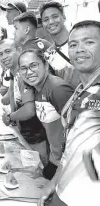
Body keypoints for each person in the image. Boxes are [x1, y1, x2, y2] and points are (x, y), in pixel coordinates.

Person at [38, 20, 100, 206]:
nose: (79, 49)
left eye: (89, 42)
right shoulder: (81, 90)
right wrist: (54, 183)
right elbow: (71, 147)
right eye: (73, 44)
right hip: (65, 192)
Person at [18, 49, 74, 180]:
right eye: (24, 68)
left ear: (46, 65)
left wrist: (59, 168)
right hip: (54, 159)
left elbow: (76, 131)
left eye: (33, 65)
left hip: (65, 165)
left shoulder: (57, 89)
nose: (29, 72)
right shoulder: (38, 89)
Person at [0, 39, 47, 165]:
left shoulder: (23, 74)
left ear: (19, 50)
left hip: (36, 138)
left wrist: (10, 117)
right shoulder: (14, 73)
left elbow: (29, 110)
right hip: (25, 133)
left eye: (8, 51)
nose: (4, 57)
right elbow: (10, 94)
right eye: (0, 54)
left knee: (39, 174)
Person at [39, 1, 80, 88]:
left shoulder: (82, 43)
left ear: (64, 18)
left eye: (55, 17)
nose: (51, 22)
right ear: (42, 24)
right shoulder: (48, 55)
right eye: (46, 20)